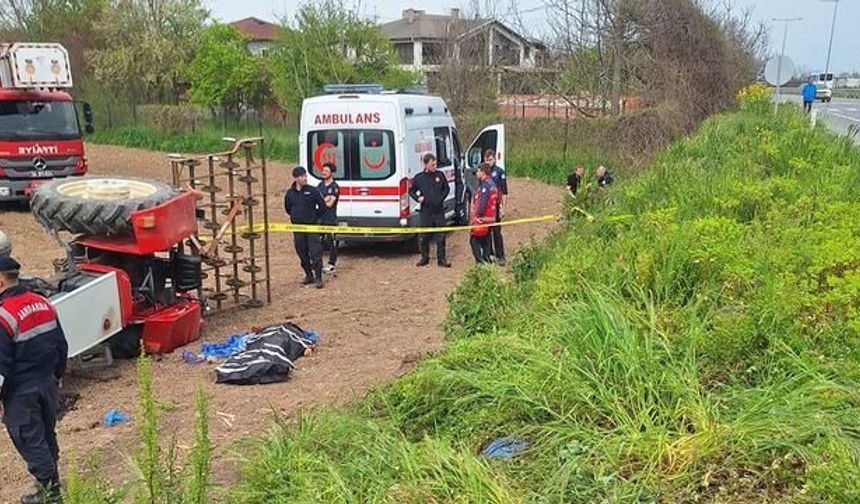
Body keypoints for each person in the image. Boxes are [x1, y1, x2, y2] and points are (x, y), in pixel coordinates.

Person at [0, 256, 68, 504]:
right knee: (46, 436)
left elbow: (1, 364)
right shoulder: (43, 303)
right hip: (47, 383)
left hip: (20, 391)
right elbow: (61, 345)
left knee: (29, 439)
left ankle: (51, 495)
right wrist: (58, 375)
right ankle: (49, 487)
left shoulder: (3, 316)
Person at [285, 166, 326, 288]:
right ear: (296, 178)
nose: (304, 178)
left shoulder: (313, 191)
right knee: (302, 252)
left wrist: (314, 218)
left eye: (305, 176)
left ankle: (318, 277)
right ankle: (309, 275)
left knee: (316, 253)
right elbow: (288, 208)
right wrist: (295, 216)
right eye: (302, 176)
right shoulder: (290, 194)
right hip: (298, 228)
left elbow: (322, 206)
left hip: (312, 227)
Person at [409, 153, 452, 268]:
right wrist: (418, 198)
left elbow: (446, 189)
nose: (435, 166)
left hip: (439, 211)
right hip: (426, 212)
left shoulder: (440, 175)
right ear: (426, 164)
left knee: (441, 236)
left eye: (435, 164)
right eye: (432, 164)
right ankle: (424, 257)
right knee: (424, 236)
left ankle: (441, 259)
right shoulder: (419, 178)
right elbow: (411, 191)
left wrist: (440, 198)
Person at [469, 163, 499, 264]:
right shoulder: (492, 183)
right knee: (486, 239)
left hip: (483, 218)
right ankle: (487, 259)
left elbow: (482, 203)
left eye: (477, 171)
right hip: (491, 217)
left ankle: (480, 261)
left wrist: (477, 216)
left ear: (482, 172)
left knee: (474, 240)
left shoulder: (485, 185)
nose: (476, 174)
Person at [484, 149, 508, 266]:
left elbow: (504, 192)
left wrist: (503, 208)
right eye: (486, 160)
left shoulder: (499, 172)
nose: (488, 162)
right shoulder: (483, 173)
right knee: (486, 232)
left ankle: (501, 256)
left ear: (495, 159)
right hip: (486, 208)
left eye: (490, 160)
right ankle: (489, 254)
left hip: (496, 206)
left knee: (497, 232)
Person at [317, 162, 340, 275]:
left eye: (326, 171)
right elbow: (317, 201)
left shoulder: (335, 187)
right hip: (319, 218)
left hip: (330, 219)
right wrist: (324, 199)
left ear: (331, 173)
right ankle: (318, 264)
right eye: (323, 171)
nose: (323, 172)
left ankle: (332, 264)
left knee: (332, 242)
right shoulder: (319, 186)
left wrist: (324, 200)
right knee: (318, 242)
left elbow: (330, 204)